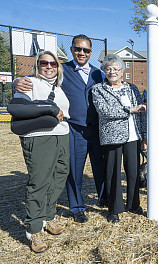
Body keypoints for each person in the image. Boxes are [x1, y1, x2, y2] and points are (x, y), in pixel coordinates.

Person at [14, 34, 107, 223]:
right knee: (73, 170)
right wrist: (17, 81)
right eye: (78, 49)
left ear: (91, 52)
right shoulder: (61, 69)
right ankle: (77, 207)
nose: (82, 53)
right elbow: (37, 77)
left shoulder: (99, 73)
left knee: (101, 166)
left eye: (86, 50)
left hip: (96, 128)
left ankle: (104, 197)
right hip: (73, 129)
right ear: (72, 50)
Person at [15, 51, 70, 252]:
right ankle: (34, 229)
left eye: (53, 64)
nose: (48, 67)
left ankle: (48, 217)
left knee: (59, 177)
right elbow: (18, 107)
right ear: (37, 65)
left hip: (62, 134)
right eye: (43, 63)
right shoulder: (28, 83)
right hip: (38, 137)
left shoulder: (58, 86)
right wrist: (16, 81)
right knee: (39, 182)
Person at [92, 54, 147, 223]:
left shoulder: (132, 88)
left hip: (133, 136)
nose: (112, 72)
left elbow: (141, 114)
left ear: (122, 71)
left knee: (133, 173)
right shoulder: (98, 89)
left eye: (116, 69)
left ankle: (133, 204)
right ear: (104, 71)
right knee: (113, 174)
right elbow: (105, 111)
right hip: (111, 138)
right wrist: (130, 109)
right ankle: (114, 209)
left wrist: (144, 136)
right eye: (108, 69)